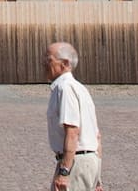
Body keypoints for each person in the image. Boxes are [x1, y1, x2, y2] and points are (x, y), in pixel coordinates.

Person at [44, 42, 101, 191]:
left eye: (49, 60)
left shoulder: (65, 88)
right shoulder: (80, 88)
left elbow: (73, 131)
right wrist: (97, 176)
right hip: (87, 161)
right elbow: (96, 136)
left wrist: (64, 171)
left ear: (65, 63)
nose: (44, 64)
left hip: (74, 163)